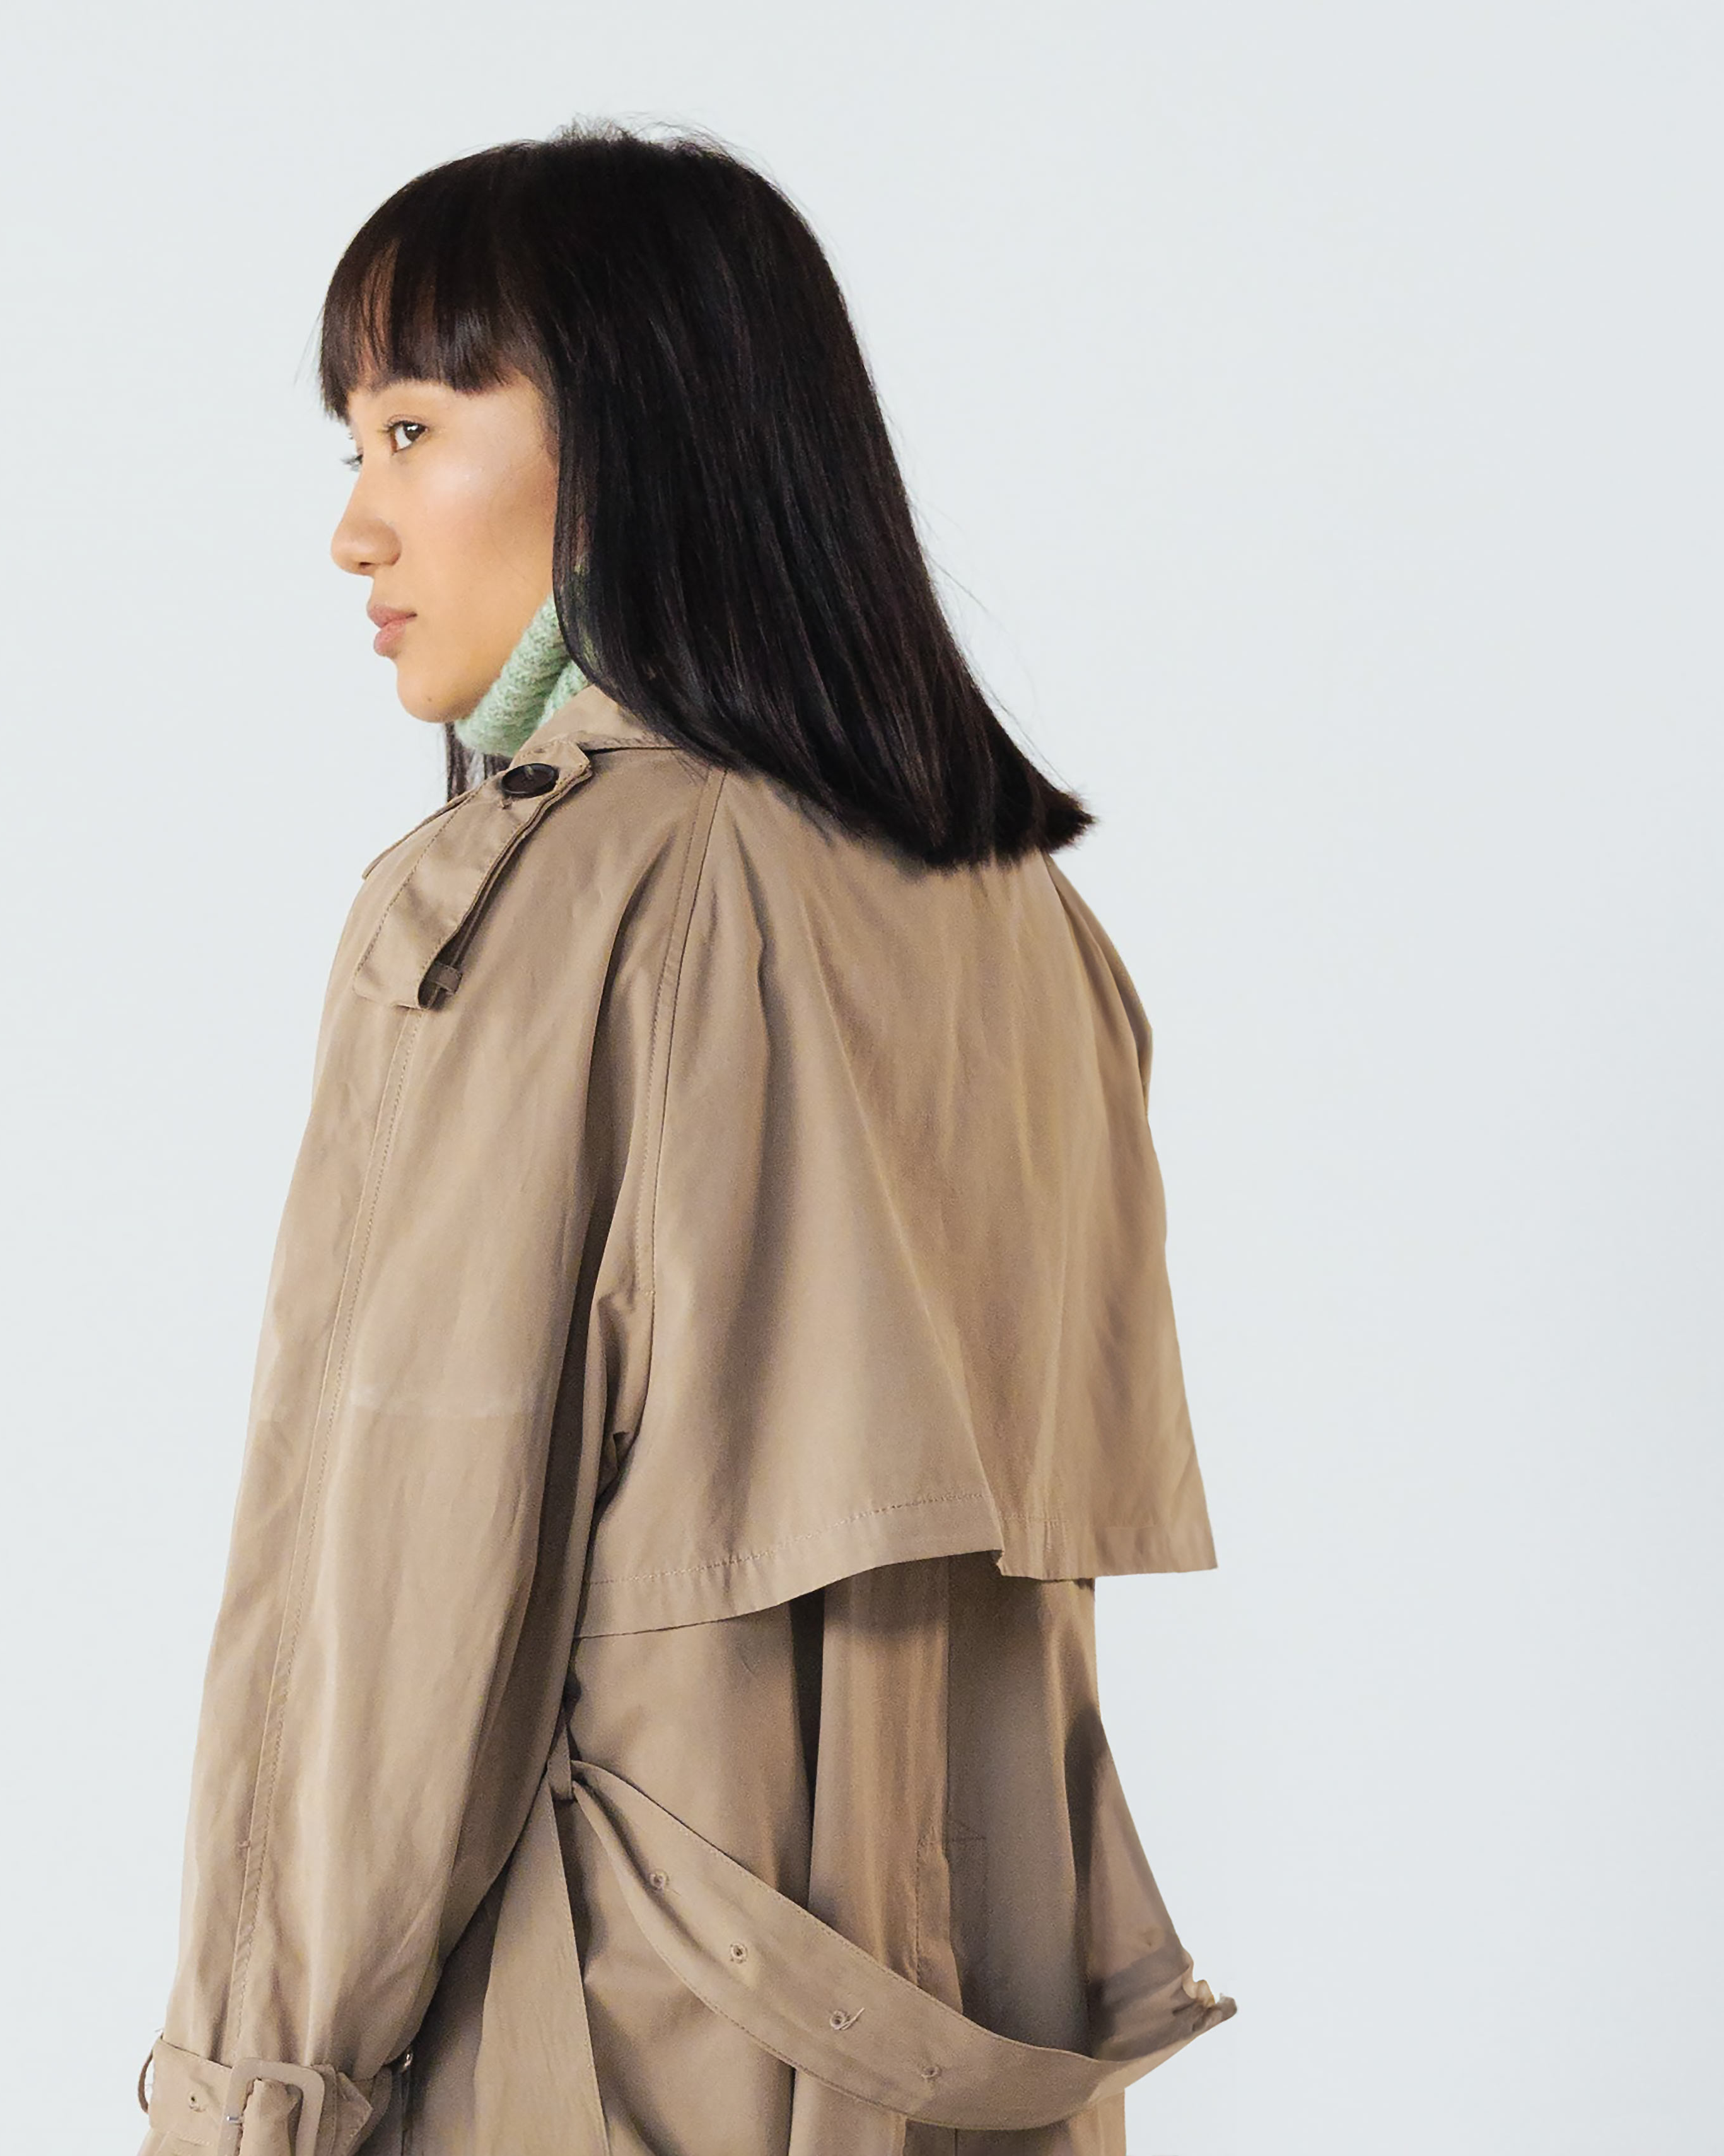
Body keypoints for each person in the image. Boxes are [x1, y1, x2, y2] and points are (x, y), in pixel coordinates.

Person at [131, 123, 1233, 2156]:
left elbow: (394, 1592)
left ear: (627, 444)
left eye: (410, 430)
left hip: (602, 2066)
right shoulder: (1024, 925)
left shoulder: (531, 902)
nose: (356, 529)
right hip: (971, 2076)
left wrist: (249, 2099)